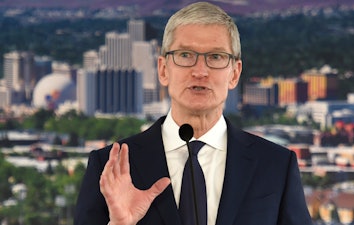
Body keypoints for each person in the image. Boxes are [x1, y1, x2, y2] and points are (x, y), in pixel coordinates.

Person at [74, 2, 312, 225]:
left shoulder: (276, 166)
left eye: (216, 57)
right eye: (185, 55)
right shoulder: (110, 168)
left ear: (235, 74)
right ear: (163, 69)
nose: (200, 71)